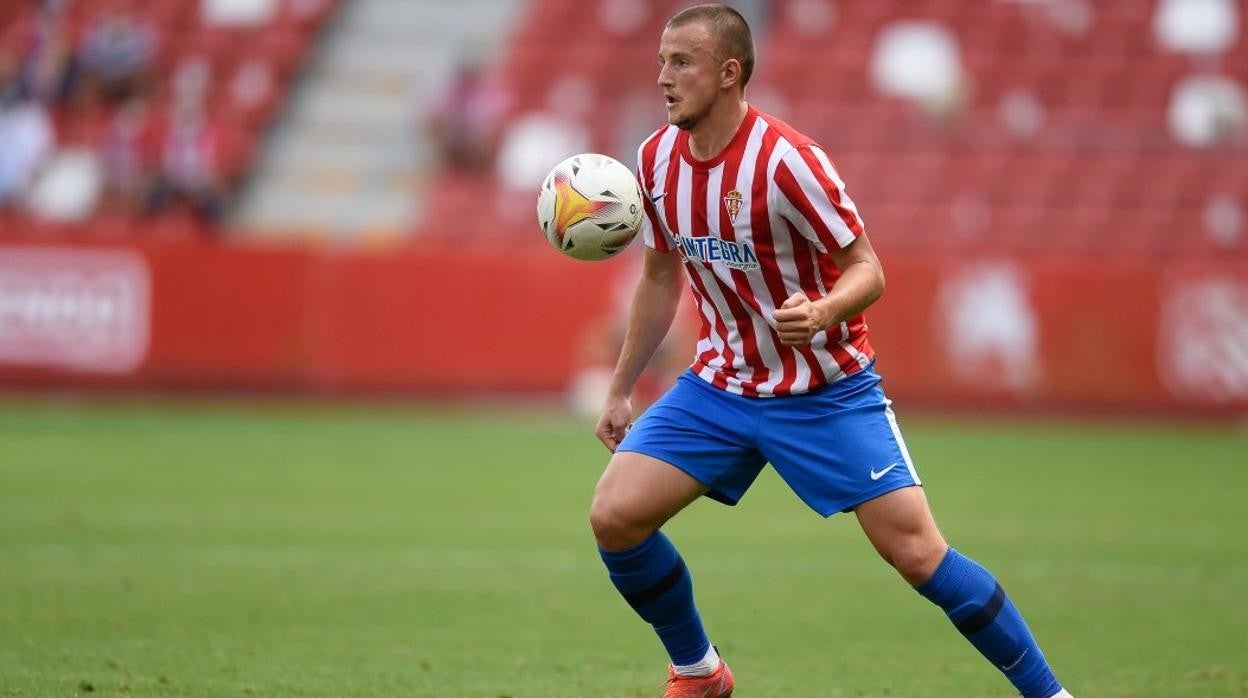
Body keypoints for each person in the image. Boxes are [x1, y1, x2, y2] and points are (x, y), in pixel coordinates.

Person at [587, 5, 1076, 698]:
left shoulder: (788, 162)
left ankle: (1049, 694)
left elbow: (868, 269)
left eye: (682, 62)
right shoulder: (656, 159)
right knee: (614, 516)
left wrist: (821, 311)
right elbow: (660, 277)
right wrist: (620, 386)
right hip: (720, 386)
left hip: (824, 390)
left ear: (730, 73)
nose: (663, 77)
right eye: (662, 61)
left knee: (917, 554)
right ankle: (699, 671)